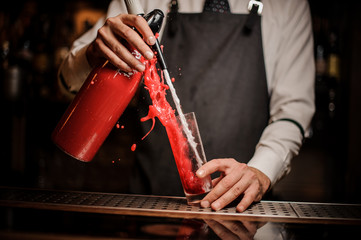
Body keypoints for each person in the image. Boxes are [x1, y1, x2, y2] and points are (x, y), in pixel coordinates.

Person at [58, 0, 315, 212]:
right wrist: (92, 55)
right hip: (150, 207)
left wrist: (261, 170)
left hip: (243, 214)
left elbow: (293, 110)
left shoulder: (288, 5)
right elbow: (66, 81)